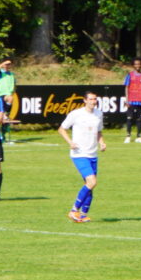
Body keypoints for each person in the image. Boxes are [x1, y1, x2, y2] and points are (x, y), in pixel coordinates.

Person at [57, 91, 106, 223]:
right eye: (90, 99)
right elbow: (62, 129)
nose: (93, 101)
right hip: (79, 154)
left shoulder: (98, 114)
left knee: (90, 185)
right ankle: (74, 211)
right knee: (92, 182)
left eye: (95, 99)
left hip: (92, 154)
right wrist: (70, 142)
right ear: (85, 100)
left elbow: (98, 131)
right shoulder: (76, 114)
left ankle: (83, 214)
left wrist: (101, 142)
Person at [122, 57, 141, 143]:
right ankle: (128, 136)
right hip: (131, 100)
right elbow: (126, 87)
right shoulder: (129, 75)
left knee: (140, 119)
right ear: (133, 65)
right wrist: (127, 100)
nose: (137, 66)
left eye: (139, 64)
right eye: (136, 64)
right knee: (129, 118)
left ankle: (139, 136)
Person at [0, 57, 16, 142]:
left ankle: (3, 135)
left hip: (8, 95)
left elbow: (13, 84)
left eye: (9, 64)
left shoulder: (11, 74)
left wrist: (12, 90)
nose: (7, 66)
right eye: (6, 64)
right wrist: (2, 64)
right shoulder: (0, 73)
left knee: (5, 119)